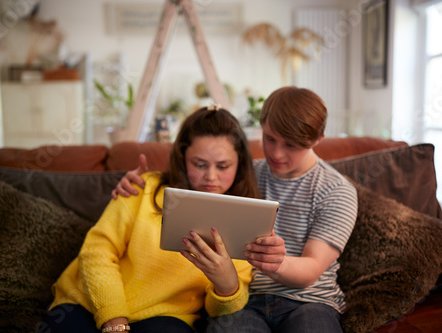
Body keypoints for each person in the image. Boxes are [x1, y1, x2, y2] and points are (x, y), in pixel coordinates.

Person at [113, 86, 358, 332]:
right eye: (270, 138)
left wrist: (273, 262)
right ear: (261, 125)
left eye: (292, 145)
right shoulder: (241, 174)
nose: (276, 153)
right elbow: (191, 183)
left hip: (311, 301)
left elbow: (311, 269)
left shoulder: (336, 191)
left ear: (318, 140)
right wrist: (137, 184)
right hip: (244, 301)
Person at [41, 105, 259, 333]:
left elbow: (220, 313)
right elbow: (96, 252)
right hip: (87, 303)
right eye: (200, 164)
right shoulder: (143, 188)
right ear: (183, 157)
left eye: (223, 166)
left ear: (240, 163)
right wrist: (114, 319)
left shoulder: (243, 219)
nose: (211, 177)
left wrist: (227, 286)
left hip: (166, 319)